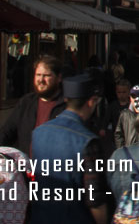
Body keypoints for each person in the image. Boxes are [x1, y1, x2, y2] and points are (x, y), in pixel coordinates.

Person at [29, 73, 111, 224]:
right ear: (91, 102)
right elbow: (95, 199)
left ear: (66, 99)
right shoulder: (88, 142)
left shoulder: (38, 133)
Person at [0, 55, 65, 154]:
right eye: (38, 75)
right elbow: (6, 133)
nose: (41, 80)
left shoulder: (67, 105)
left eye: (46, 75)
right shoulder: (26, 102)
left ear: (59, 78)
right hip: (28, 166)